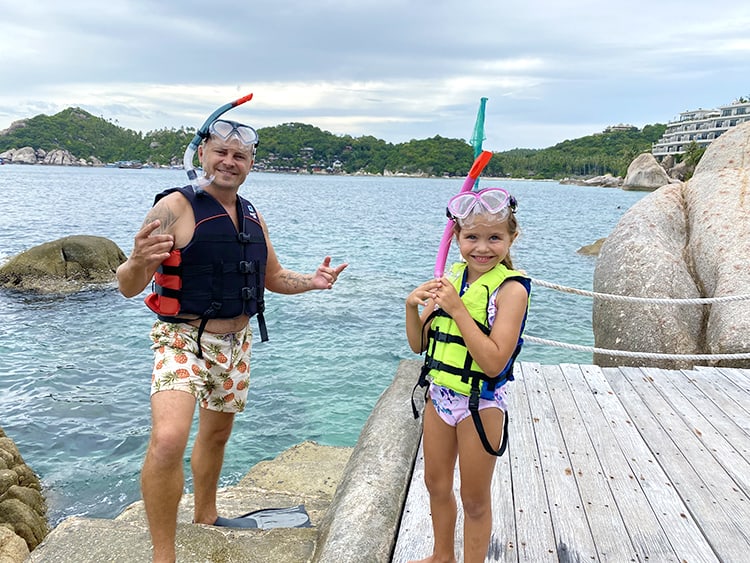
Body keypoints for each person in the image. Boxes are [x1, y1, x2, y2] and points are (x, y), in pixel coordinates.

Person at [116, 116, 347, 563]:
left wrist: (313, 282)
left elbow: (273, 277)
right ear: (201, 154)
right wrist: (137, 261)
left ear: (250, 164)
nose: (229, 160)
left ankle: (206, 515)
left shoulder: (252, 215)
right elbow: (128, 284)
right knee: (168, 438)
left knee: (217, 435)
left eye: (239, 155)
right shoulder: (173, 209)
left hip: (236, 346)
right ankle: (164, 555)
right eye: (220, 151)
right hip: (182, 339)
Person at [405, 187, 530, 563]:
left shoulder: (510, 290)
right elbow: (418, 345)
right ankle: (442, 555)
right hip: (439, 397)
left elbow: (493, 362)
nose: (483, 247)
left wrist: (459, 310)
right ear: (457, 237)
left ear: (511, 238)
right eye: (471, 237)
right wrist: (412, 307)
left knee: (475, 499)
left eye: (495, 238)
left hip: (480, 405)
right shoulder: (450, 279)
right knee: (436, 484)